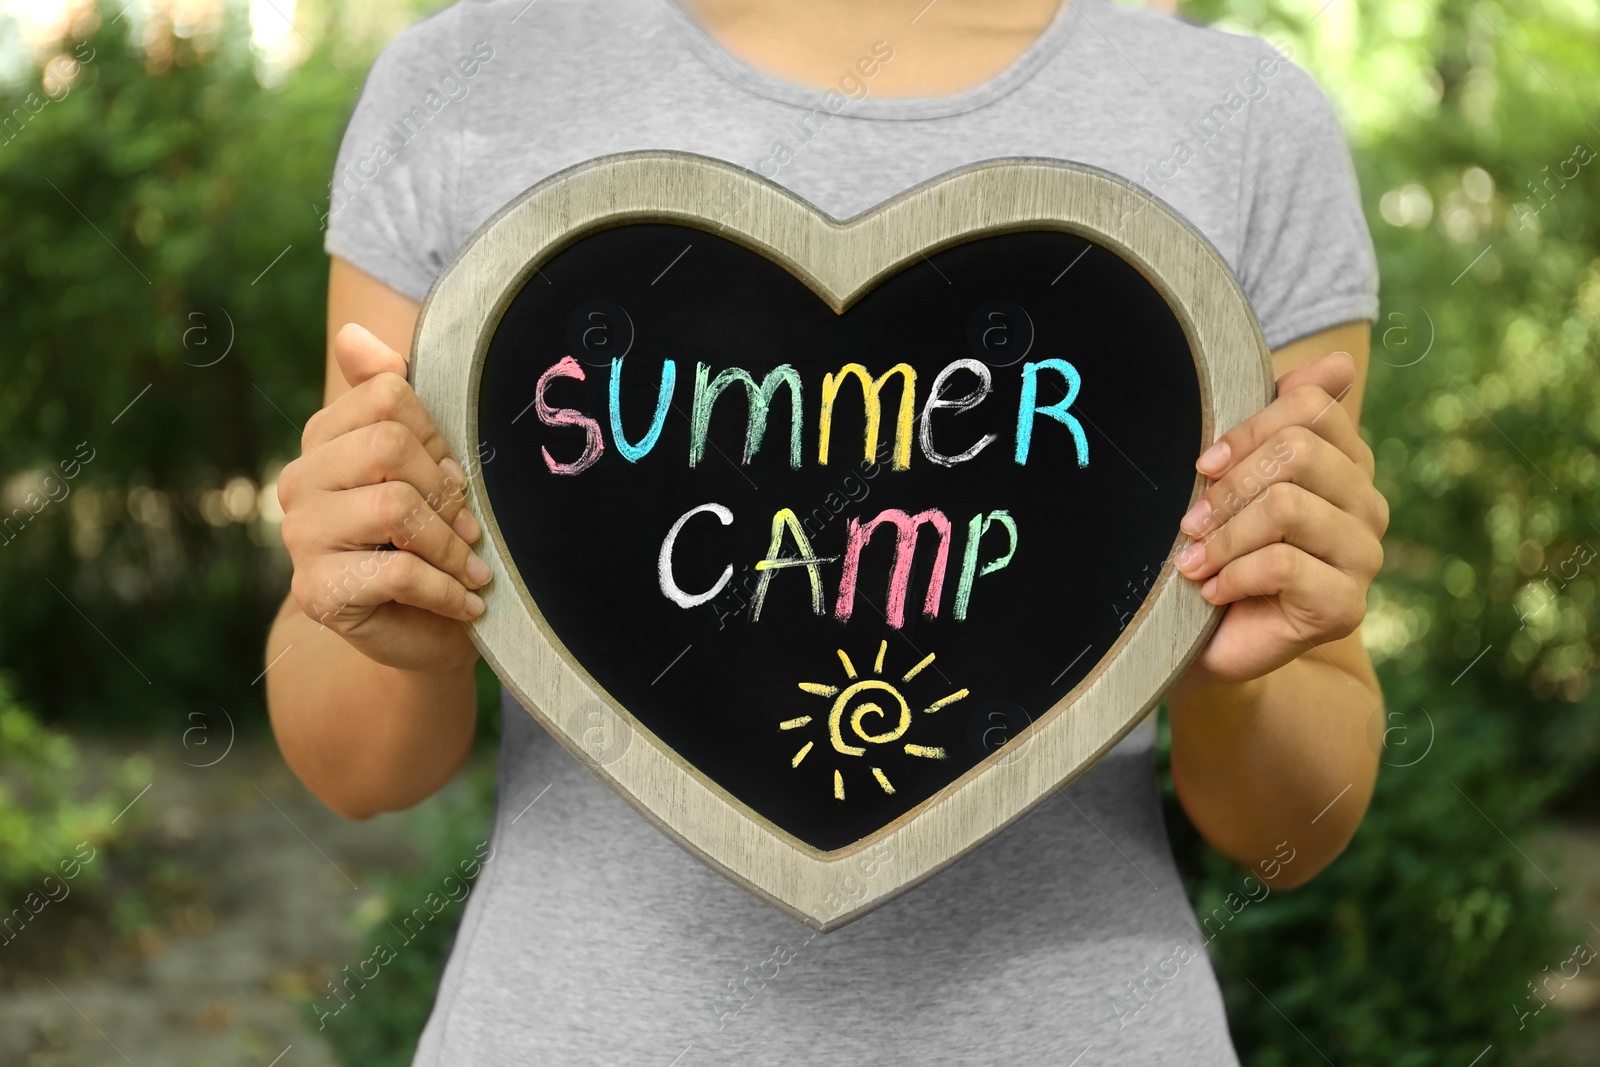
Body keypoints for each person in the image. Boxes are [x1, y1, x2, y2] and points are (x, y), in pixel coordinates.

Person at [265, 0, 1388, 1062]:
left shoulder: (1239, 116)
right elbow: (359, 767)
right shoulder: (470, 78)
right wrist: (391, 627)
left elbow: (1292, 830)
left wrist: (1232, 672)